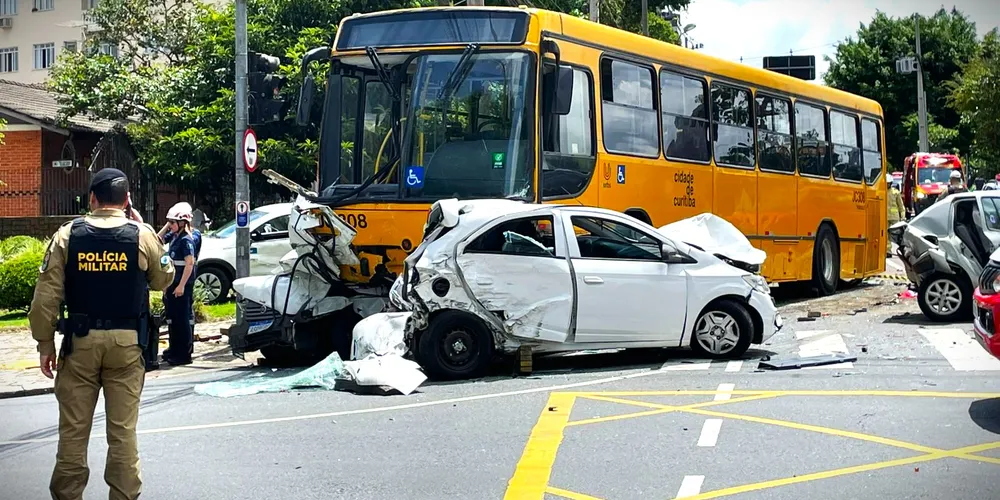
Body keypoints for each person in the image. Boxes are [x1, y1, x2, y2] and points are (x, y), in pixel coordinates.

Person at [28, 168, 175, 500]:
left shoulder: (67, 235)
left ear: (91, 199)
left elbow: (45, 298)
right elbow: (164, 278)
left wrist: (44, 343)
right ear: (126, 200)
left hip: (79, 344)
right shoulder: (141, 234)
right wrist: (145, 230)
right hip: (126, 345)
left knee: (73, 434)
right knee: (122, 434)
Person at [157, 202, 201, 366]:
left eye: (173, 222)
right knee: (173, 320)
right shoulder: (176, 236)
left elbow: (189, 264)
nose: (170, 225)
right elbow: (158, 239)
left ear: (183, 223)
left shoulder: (186, 240)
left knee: (182, 321)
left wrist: (181, 285)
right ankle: (174, 350)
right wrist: (169, 224)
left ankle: (183, 354)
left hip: (181, 286)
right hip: (172, 284)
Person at [886, 174, 905, 257]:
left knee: (898, 235)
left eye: (888, 183)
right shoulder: (881, 192)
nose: (887, 184)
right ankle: (888, 251)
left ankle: (903, 250)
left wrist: (903, 217)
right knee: (886, 236)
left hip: (894, 217)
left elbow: (901, 206)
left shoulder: (895, 192)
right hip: (885, 217)